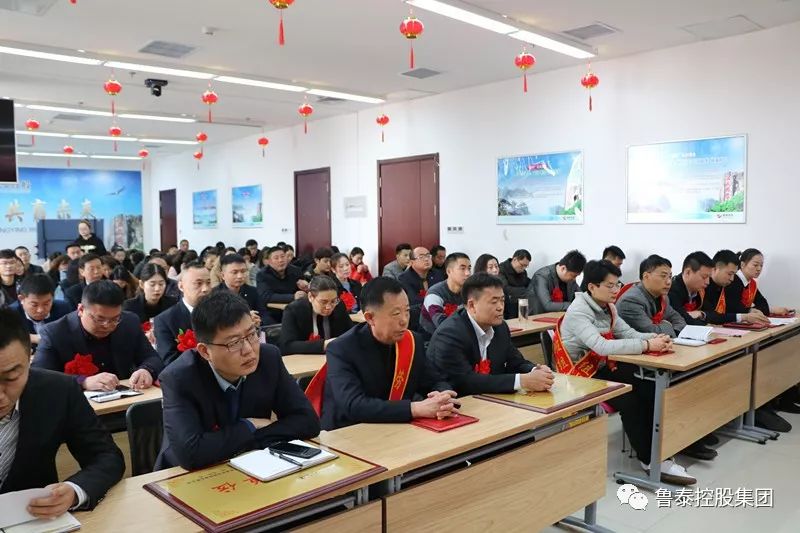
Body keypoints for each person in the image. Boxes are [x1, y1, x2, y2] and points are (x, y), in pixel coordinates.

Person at [556, 260, 694, 484]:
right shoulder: (578, 311)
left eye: (617, 284)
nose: (616, 290)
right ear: (592, 287)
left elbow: (629, 333)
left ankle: (659, 450)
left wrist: (656, 338)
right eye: (610, 285)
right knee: (630, 400)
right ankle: (650, 461)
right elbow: (602, 346)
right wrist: (647, 346)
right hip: (579, 376)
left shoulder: (608, 307)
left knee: (649, 384)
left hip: (602, 368)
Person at [154, 290, 319, 470]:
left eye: (251, 335)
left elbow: (308, 422)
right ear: (205, 351)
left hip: (253, 464)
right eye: (234, 343)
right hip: (184, 475)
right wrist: (249, 426)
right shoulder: (179, 378)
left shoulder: (268, 358)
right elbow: (191, 454)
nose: (248, 350)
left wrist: (253, 437)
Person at [0, 309, 125, 515]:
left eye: (11, 377)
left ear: (29, 358)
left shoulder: (58, 391)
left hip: (30, 518)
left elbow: (106, 456)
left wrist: (75, 490)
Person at [315, 277, 458, 430]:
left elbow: (435, 380)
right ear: (370, 318)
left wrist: (442, 397)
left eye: (407, 311)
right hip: (349, 431)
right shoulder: (341, 349)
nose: (404, 320)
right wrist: (415, 409)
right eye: (396, 313)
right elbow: (353, 405)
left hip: (397, 427)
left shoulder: (412, 341)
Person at [428, 273, 554, 396]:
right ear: (472, 305)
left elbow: (516, 362)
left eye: (502, 300)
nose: (500, 307)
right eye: (494, 302)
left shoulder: (500, 327)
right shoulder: (450, 334)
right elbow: (464, 382)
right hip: (459, 402)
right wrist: (521, 381)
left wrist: (535, 371)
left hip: (489, 399)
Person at [32, 280, 163, 391]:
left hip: (125, 400)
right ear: (81, 310)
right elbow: (40, 376)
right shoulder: (55, 333)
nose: (107, 325)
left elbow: (152, 357)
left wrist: (146, 370)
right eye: (99, 319)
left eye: (115, 319)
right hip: (77, 404)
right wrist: (83, 381)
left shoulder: (128, 322)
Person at [729, 249, 799, 417]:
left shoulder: (751, 283)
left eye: (761, 265)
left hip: (747, 326)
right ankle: (762, 403)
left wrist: (763, 309)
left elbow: (763, 304)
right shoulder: (734, 281)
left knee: (780, 345)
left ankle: (779, 396)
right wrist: (751, 310)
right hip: (734, 329)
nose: (759, 269)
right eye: (755, 265)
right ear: (742, 264)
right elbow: (733, 307)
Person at [154, 261, 212, 366]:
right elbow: (170, 362)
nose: (205, 289)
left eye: (208, 283)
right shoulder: (165, 320)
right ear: (181, 286)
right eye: (198, 283)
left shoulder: (220, 312)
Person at [279, 276, 354, 354]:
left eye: (333, 301)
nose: (328, 307)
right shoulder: (294, 310)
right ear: (310, 297)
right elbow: (286, 346)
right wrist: (323, 345)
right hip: (305, 359)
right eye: (323, 302)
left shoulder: (339, 306)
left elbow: (352, 334)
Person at [616, 255, 687, 336]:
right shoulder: (631, 300)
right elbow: (650, 332)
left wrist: (673, 330)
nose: (669, 282)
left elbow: (680, 321)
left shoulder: (663, 297)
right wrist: (668, 325)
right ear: (646, 276)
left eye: (670, 277)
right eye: (663, 276)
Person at [702, 250, 769, 326]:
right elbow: (711, 315)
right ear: (714, 269)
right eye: (729, 274)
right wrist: (745, 316)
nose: (732, 279)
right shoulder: (704, 286)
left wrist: (750, 311)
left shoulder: (723, 284)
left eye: (761, 265)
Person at [9, 274, 71, 350]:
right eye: (34, 305)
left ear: (53, 298)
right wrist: (29, 337)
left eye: (46, 304)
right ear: (21, 299)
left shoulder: (63, 309)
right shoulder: (10, 315)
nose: (40, 310)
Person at [420, 253, 471, 337]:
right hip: (432, 338)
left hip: (459, 335)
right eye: (462, 268)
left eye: (469, 268)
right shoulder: (434, 294)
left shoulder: (469, 291)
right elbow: (442, 324)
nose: (468, 273)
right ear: (449, 271)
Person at [214, 254, 270, 324]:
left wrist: (258, 321)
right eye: (235, 272)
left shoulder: (253, 291)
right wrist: (245, 319)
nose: (240, 276)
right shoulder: (214, 295)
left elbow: (264, 315)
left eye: (243, 271)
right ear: (223, 275)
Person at [529, 250, 586, 314]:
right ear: (563, 268)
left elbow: (581, 297)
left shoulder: (570, 279)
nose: (574, 279)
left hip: (559, 316)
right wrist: (575, 305)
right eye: (573, 276)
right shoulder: (541, 276)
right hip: (537, 317)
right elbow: (548, 305)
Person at [668, 251, 714, 326]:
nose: (708, 282)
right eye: (704, 277)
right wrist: (706, 324)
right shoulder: (672, 290)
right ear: (688, 272)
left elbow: (713, 314)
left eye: (709, 277)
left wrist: (701, 314)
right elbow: (684, 320)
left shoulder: (699, 289)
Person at [398, 246, 438, 325]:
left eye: (428, 256)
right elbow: (414, 301)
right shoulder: (404, 279)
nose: (426, 259)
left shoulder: (437, 274)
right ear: (412, 262)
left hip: (436, 315)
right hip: (416, 319)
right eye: (421, 257)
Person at [498, 249, 531, 316]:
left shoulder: (523, 272)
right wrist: (525, 291)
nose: (524, 268)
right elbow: (505, 288)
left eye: (526, 266)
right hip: (506, 304)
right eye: (522, 265)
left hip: (520, 304)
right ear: (515, 259)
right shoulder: (501, 269)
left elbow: (527, 283)